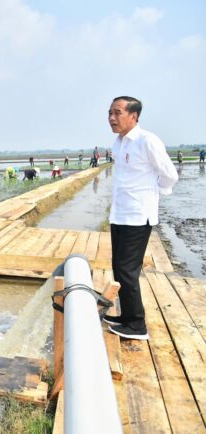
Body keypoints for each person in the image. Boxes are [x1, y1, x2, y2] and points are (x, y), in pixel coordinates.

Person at [105, 96, 178, 340]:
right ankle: (127, 317)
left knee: (127, 270)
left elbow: (169, 175)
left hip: (137, 215)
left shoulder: (147, 141)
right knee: (120, 267)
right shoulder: (119, 142)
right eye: (110, 113)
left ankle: (137, 326)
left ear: (133, 116)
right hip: (120, 214)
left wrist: (152, 195)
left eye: (117, 113)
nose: (112, 118)